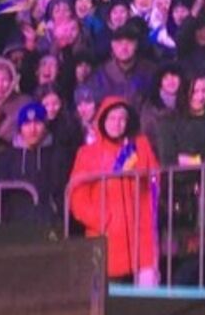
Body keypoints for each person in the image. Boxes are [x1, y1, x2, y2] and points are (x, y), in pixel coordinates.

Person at [68, 97, 161, 284]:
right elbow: (76, 196)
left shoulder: (140, 146)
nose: (117, 124)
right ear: (102, 119)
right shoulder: (88, 153)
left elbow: (156, 180)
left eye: (122, 119)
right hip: (107, 239)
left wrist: (149, 210)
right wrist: (102, 218)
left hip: (142, 237)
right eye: (112, 118)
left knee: (148, 300)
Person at [0, 100, 70, 224]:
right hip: (14, 226)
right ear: (20, 128)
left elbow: (63, 192)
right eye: (27, 124)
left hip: (49, 225)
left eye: (37, 123)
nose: (32, 129)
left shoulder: (59, 155)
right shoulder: (6, 158)